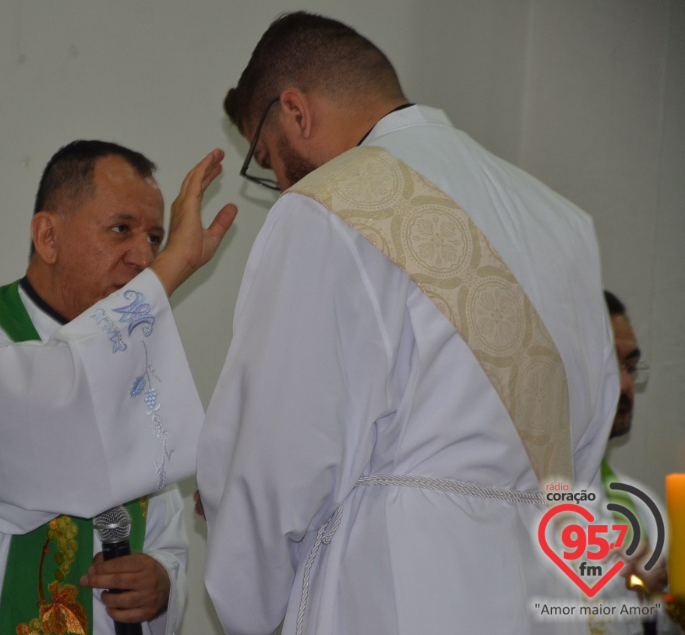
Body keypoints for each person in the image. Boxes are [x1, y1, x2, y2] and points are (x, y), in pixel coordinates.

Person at [196, 12, 618, 635]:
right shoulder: (563, 223)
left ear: (295, 112)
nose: (280, 181)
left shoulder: (327, 205)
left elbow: (277, 458)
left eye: (265, 159)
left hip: (397, 588)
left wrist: (247, 603)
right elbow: (583, 452)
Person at [0, 140, 236, 635]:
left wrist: (160, 582)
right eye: (121, 230)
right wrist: (172, 268)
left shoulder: (134, 367)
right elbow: (48, 421)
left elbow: (165, 538)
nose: (144, 257)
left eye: (156, 237)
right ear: (48, 236)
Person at [600, 290, 668, 635]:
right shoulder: (519, 494)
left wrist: (655, 597)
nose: (627, 386)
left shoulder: (629, 505)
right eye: (612, 366)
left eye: (631, 366)